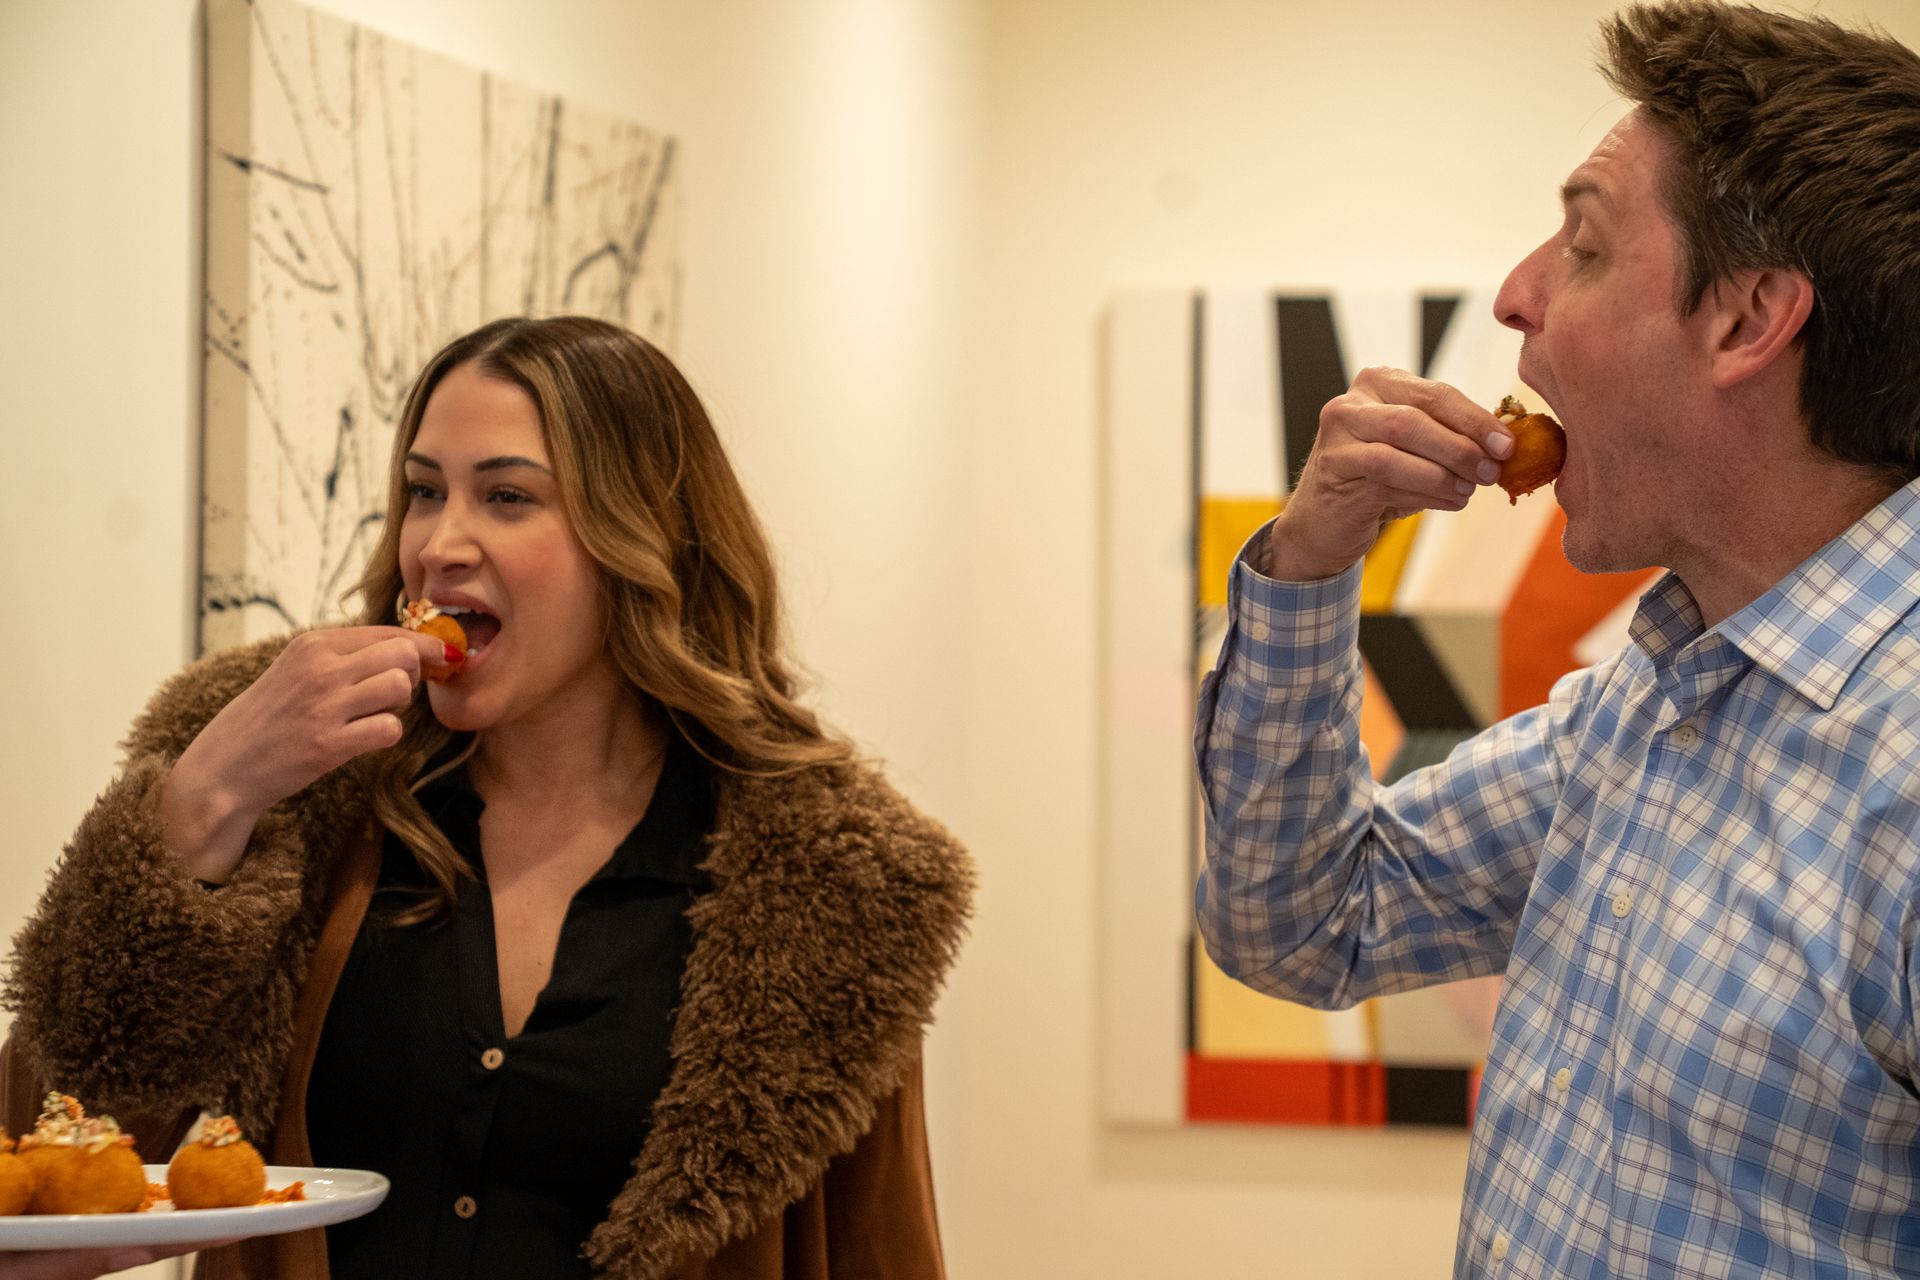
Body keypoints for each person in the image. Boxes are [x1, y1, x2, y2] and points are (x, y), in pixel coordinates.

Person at [1, 316, 972, 1279]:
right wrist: (210, 795)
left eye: (507, 495)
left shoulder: (828, 884)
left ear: (642, 534)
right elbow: (50, 1148)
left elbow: (877, 1246)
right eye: (424, 491)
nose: (439, 543)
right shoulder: (314, 796)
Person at [1195, 3, 1920, 1276]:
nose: (1517, 293)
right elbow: (1307, 919)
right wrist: (1308, 565)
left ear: (1748, 321)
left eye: (1583, 245)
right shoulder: (1647, 706)